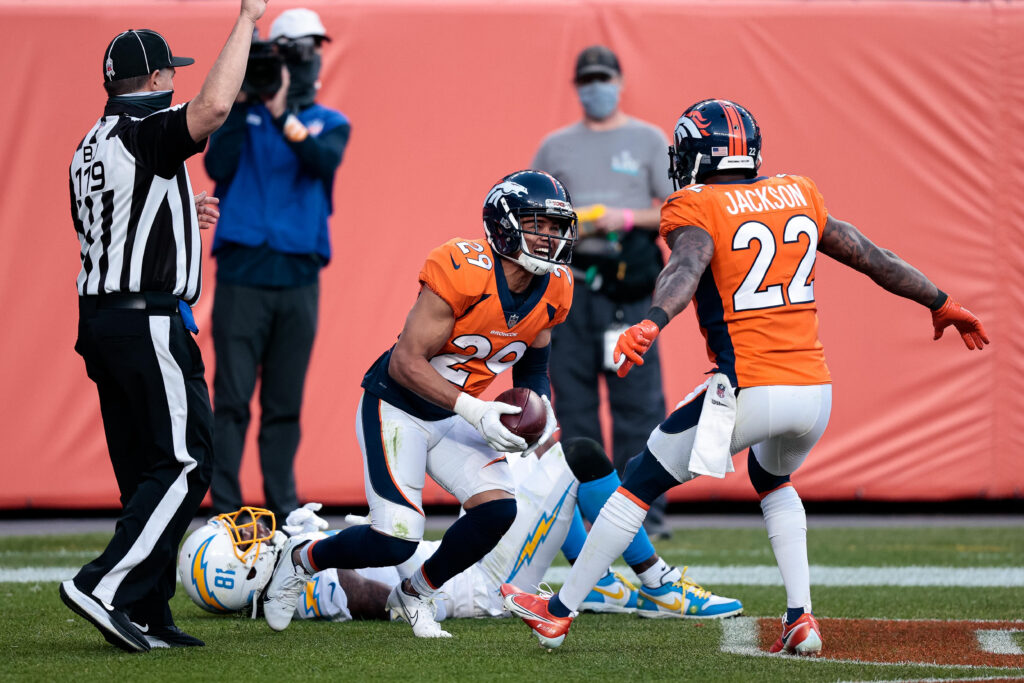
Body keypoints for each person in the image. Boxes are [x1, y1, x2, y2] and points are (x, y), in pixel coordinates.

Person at [503, 98, 990, 653]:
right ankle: (801, 617)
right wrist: (941, 301)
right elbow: (870, 255)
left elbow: (685, 267)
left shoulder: (696, 204)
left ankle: (558, 611)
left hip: (749, 388)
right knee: (772, 480)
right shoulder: (800, 192)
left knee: (637, 479)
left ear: (693, 152)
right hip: (814, 394)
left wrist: (652, 322)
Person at [259, 170, 577, 638]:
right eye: (537, 225)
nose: (549, 238)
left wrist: (540, 410)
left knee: (497, 512)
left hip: (453, 412)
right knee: (393, 541)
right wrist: (477, 410)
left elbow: (532, 365)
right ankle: (302, 557)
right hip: (398, 406)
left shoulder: (555, 288)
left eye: (556, 227)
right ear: (505, 224)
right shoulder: (461, 266)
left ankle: (414, 594)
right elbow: (405, 362)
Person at [62, 0, 269, 653]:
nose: (175, 82)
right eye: (169, 74)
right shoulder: (144, 126)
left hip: (101, 319)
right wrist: (247, 19)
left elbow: (121, 218)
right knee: (185, 459)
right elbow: (210, 110)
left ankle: (146, 608)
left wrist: (185, 215)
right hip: (146, 319)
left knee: (146, 468)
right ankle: (105, 584)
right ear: (154, 80)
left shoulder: (88, 144)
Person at [179, 438, 741, 623]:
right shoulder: (318, 591)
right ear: (239, 575)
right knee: (578, 458)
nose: (253, 531)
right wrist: (327, 563)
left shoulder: (292, 572)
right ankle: (656, 581)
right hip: (480, 583)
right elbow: (380, 598)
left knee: (533, 458)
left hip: (473, 565)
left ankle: (601, 585)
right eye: (242, 542)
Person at [205, 7, 351, 521]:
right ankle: (223, 507)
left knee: (284, 404)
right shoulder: (239, 117)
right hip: (242, 275)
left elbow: (322, 161)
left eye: (314, 51)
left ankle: (284, 507)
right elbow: (215, 165)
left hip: (298, 280)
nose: (308, 61)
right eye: (297, 50)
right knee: (231, 400)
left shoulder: (327, 122)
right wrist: (246, 102)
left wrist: (281, 112)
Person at [531, 45, 675, 536]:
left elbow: (677, 208)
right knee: (572, 401)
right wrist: (575, 222)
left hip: (626, 290)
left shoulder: (647, 140)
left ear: (618, 81)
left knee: (637, 400)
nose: (596, 87)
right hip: (571, 288)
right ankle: (587, 508)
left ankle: (641, 509)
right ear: (577, 86)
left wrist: (627, 218)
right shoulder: (555, 147)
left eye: (603, 78)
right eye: (587, 79)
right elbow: (534, 211)